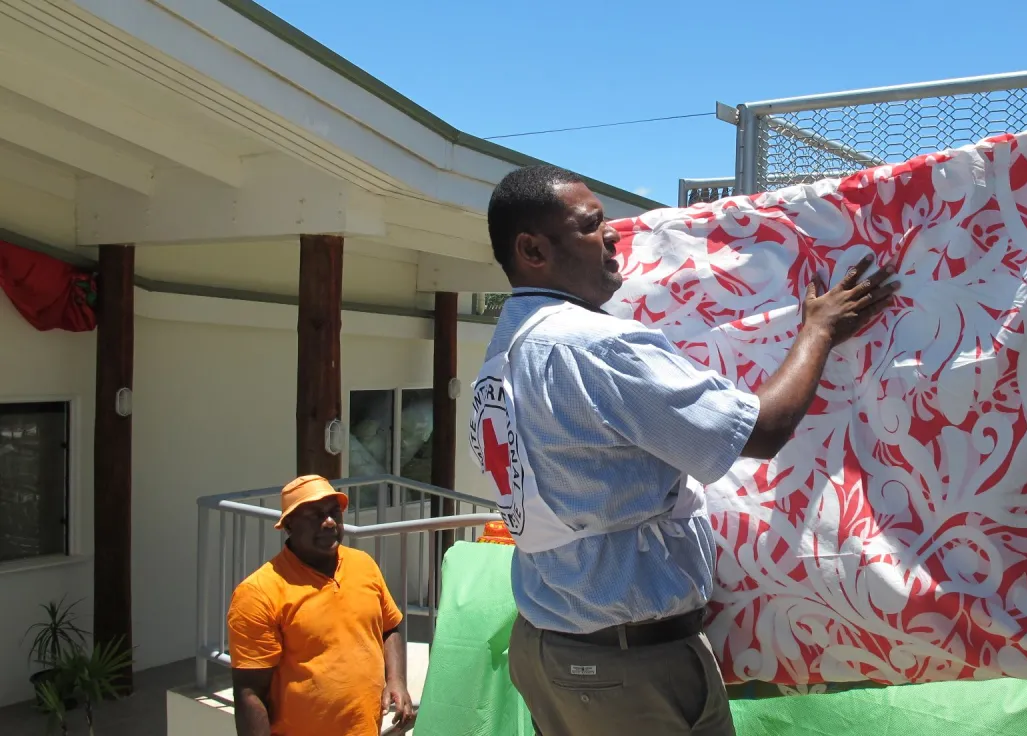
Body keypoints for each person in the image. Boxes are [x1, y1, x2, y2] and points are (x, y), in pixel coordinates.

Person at [470, 164, 898, 734]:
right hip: (626, 670)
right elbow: (761, 430)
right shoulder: (592, 345)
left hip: (552, 649)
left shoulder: (503, 351)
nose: (614, 236)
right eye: (593, 225)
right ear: (532, 249)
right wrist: (817, 331)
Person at [226, 475, 417, 735]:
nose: (328, 522)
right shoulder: (259, 592)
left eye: (333, 512)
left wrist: (396, 680)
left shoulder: (364, 565)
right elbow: (249, 693)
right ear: (289, 525)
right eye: (314, 515)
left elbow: (389, 628)